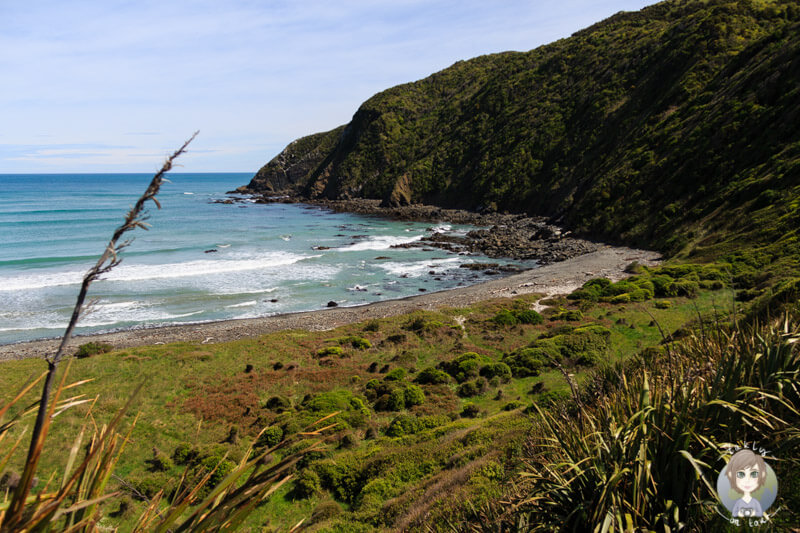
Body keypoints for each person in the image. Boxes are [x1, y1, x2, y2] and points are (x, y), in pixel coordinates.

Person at [725, 449, 767, 517]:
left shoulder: (755, 502)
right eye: (741, 474)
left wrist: (752, 513)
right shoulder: (738, 502)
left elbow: (759, 513)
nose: (747, 480)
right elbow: (734, 513)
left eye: (754, 474)